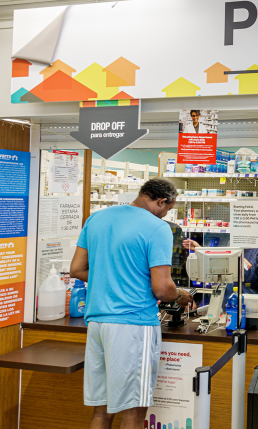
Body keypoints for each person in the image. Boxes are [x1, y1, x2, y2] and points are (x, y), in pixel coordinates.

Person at [70, 178, 193, 429]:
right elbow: (162, 288)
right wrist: (182, 296)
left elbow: (77, 269)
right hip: (133, 325)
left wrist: (112, 277)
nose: (166, 214)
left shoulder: (96, 219)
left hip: (97, 323)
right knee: (133, 411)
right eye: (168, 209)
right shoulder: (157, 228)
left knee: (102, 411)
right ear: (161, 202)